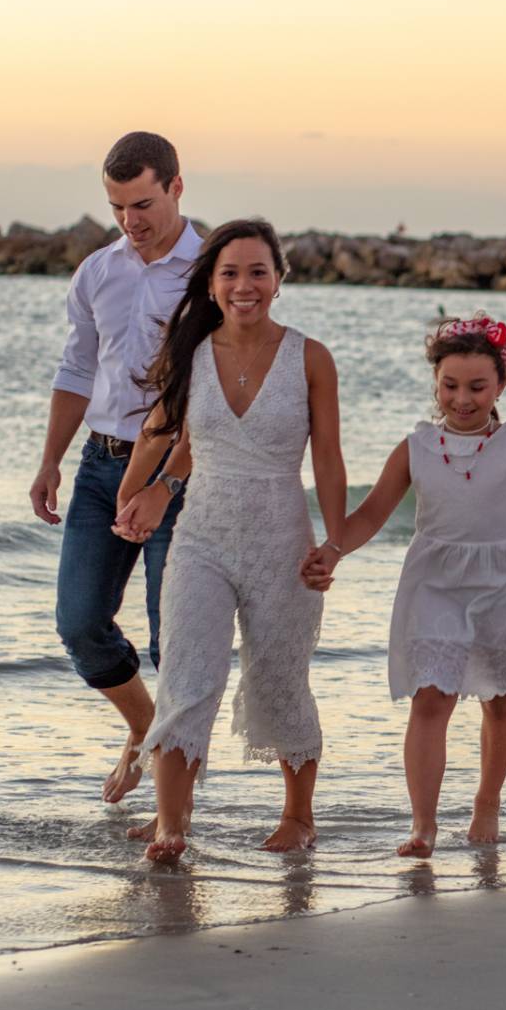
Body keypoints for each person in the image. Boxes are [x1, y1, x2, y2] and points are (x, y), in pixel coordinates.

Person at [301, 315, 506, 858]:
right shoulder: (415, 447)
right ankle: (423, 825)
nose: (462, 399)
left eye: (477, 387)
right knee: (432, 698)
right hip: (434, 581)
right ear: (436, 383)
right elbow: (370, 515)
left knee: (500, 698)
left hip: (505, 583)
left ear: (500, 385)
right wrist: (332, 549)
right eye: (451, 385)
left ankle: (486, 801)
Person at [112, 218, 347, 863]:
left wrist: (336, 543)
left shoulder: (311, 357)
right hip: (202, 538)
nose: (245, 285)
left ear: (279, 279)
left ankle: (299, 816)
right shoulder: (190, 352)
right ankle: (170, 825)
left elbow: (327, 458)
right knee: (187, 674)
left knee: (279, 680)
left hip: (283, 542)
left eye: (258, 272)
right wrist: (142, 496)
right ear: (211, 284)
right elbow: (166, 437)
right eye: (230, 273)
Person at [29, 131, 200, 806]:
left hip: (178, 473)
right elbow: (76, 369)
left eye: (143, 202)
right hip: (100, 465)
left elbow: (214, 392)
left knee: (172, 639)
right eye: (118, 206)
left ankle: (169, 816)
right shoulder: (98, 271)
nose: (132, 220)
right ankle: (144, 728)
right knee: (79, 623)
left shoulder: (212, 274)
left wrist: (165, 485)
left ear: (176, 188)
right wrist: (50, 459)